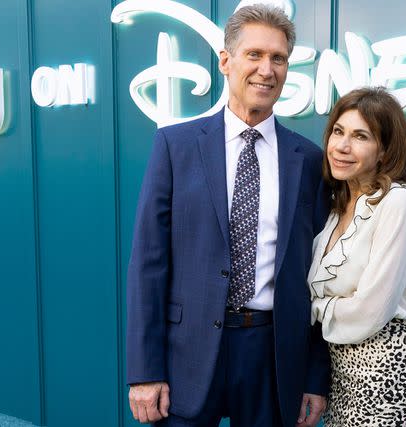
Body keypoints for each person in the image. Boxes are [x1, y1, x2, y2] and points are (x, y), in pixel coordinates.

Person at [126, 5, 330, 427]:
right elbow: (148, 265)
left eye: (278, 58)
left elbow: (319, 279)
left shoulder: (308, 160)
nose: (266, 69)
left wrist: (315, 376)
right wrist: (145, 372)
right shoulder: (174, 146)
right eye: (254, 54)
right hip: (188, 352)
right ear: (225, 61)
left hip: (273, 355)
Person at [308, 86, 406, 426]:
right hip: (340, 362)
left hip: (385, 359)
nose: (342, 147)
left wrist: (312, 309)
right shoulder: (339, 205)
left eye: (360, 136)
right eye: (338, 132)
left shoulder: (397, 202)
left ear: (384, 151)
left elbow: (372, 308)